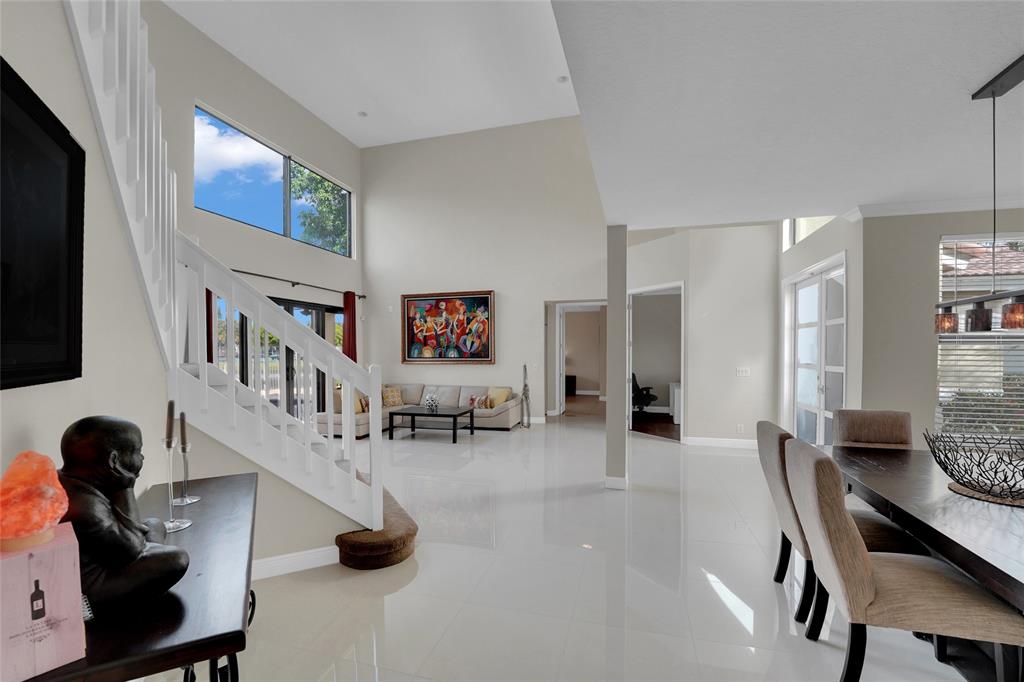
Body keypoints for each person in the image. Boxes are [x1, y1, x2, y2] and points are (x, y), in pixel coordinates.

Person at [59, 416, 189, 609]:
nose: (142, 458)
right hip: (91, 593)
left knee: (153, 523)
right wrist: (125, 487)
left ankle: (149, 549)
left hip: (111, 552)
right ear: (114, 461)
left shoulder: (71, 481)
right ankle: (152, 553)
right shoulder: (86, 508)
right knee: (177, 559)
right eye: (138, 451)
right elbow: (133, 551)